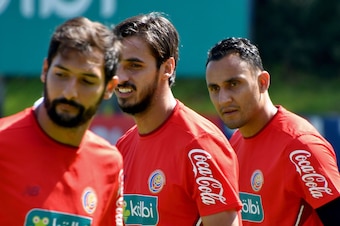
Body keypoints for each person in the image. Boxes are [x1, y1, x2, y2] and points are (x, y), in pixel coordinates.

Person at [112, 12, 242, 225]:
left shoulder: (200, 145)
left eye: (135, 66)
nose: (122, 77)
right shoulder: (123, 146)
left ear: (167, 68)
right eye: (117, 65)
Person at [0, 17, 124, 225]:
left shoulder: (109, 163)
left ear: (109, 88)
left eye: (87, 80)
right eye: (61, 74)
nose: (69, 92)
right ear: (45, 70)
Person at [205, 37, 340, 225]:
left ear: (263, 82)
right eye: (214, 88)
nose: (223, 99)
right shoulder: (233, 146)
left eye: (233, 84)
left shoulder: (301, 147)